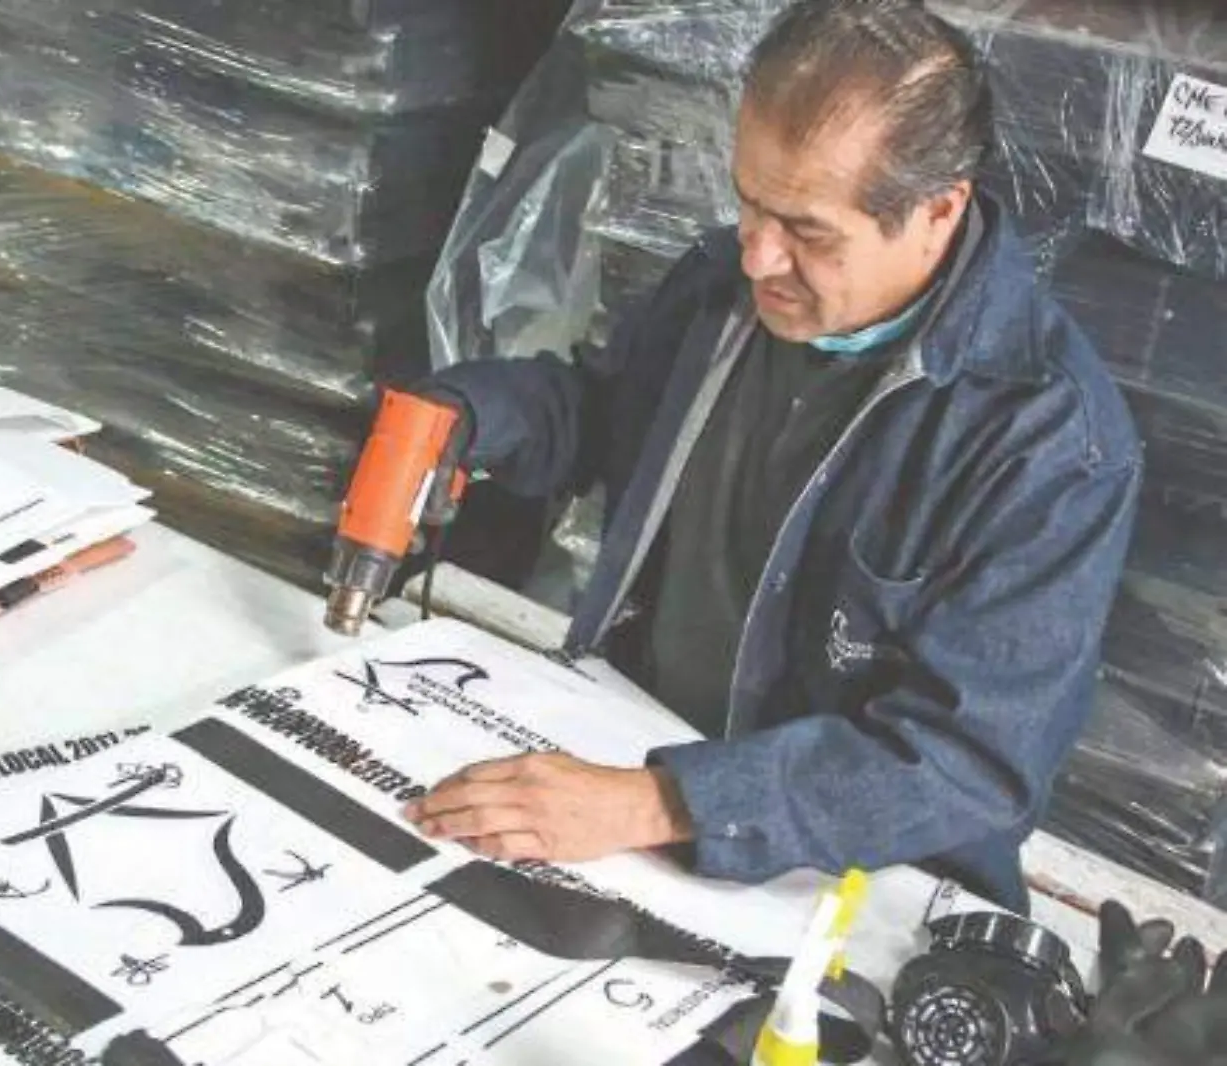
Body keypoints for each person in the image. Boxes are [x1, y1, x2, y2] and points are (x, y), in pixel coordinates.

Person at [400, 0, 1141, 913]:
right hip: (640, 759)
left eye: (808, 231)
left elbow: (965, 763)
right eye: (748, 203)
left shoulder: (1045, 437)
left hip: (850, 886)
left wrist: (660, 803)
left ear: (937, 211)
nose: (758, 258)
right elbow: (607, 414)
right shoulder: (725, 289)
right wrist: (470, 414)